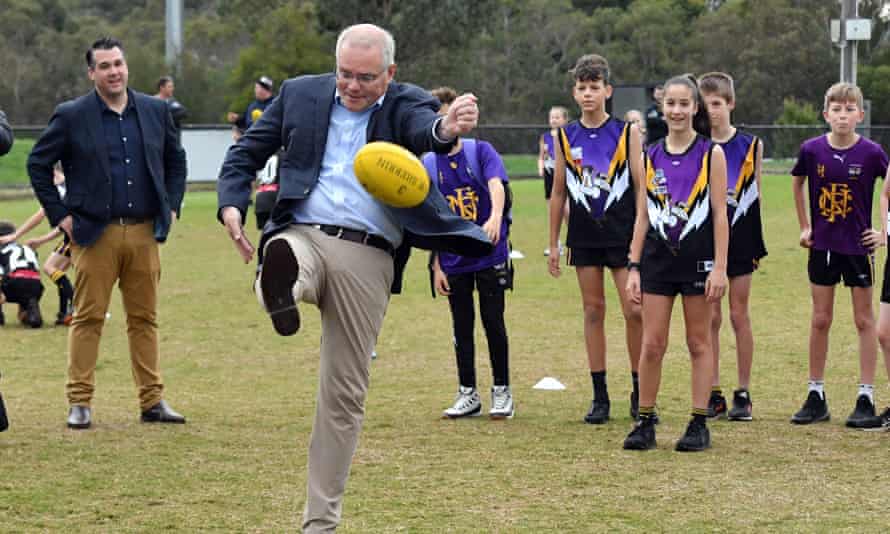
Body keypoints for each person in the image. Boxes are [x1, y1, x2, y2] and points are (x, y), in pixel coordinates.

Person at [216, 24, 490, 532]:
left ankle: (320, 522)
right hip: (303, 230)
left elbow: (423, 128)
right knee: (286, 256)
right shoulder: (299, 93)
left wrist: (447, 130)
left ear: (390, 73)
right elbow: (245, 153)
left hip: (368, 253)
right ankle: (281, 288)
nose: (352, 85)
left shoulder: (405, 102)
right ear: (334, 64)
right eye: (344, 73)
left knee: (342, 396)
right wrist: (231, 203)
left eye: (366, 77)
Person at [27, 37, 188, 430]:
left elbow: (175, 159)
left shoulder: (154, 110)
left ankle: (152, 401)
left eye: (118, 63)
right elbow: (37, 163)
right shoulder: (71, 115)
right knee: (88, 318)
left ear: (126, 66)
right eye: (104, 66)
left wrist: (171, 204)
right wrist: (59, 214)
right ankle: (79, 402)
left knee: (144, 319)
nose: (114, 71)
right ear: (91, 73)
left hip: (144, 232)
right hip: (93, 235)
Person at [623, 74, 729, 452]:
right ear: (661, 106)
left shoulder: (710, 153)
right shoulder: (648, 156)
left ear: (695, 108)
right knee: (652, 344)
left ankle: (699, 422)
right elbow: (642, 216)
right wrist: (633, 266)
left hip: (698, 260)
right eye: (671, 103)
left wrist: (719, 267)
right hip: (656, 261)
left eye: (685, 104)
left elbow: (719, 214)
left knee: (699, 342)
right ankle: (646, 421)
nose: (677, 110)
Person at [548, 54, 645, 425]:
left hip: (622, 235)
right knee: (593, 311)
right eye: (582, 87)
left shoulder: (627, 132)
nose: (588, 94)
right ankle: (600, 395)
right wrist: (554, 243)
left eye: (595, 87)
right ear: (574, 92)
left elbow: (640, 187)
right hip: (584, 236)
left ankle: (640, 390)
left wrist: (639, 237)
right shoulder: (563, 135)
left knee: (634, 310)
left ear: (608, 90)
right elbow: (558, 193)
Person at [790, 82, 888, 428]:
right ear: (826, 113)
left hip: (858, 247)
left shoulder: (873, 153)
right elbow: (798, 182)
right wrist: (805, 225)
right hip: (823, 247)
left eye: (849, 110)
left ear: (860, 115)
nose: (843, 116)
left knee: (864, 320)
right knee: (820, 319)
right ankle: (816, 394)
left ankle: (866, 395)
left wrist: (883, 231)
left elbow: (888, 188)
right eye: (837, 109)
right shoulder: (812, 150)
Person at [425, 86, 513, 420]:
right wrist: (436, 263)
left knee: (493, 321)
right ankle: (468, 393)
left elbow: (496, 186)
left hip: (489, 252)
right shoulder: (429, 164)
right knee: (461, 326)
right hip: (453, 257)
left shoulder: (481, 151)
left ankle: (502, 391)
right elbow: (430, 217)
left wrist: (493, 217)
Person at [699, 72, 767, 421]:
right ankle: (713, 392)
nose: (711, 111)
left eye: (717, 103)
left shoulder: (751, 145)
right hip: (704, 240)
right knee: (710, 318)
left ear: (730, 104)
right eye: (706, 104)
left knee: (739, 314)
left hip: (742, 240)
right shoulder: (698, 147)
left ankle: (743, 391)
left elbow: (754, 195)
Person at [1, 163, 75, 325]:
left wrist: (16, 234)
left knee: (52, 268)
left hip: (78, 236)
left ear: (53, 172)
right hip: (73, 235)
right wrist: (42, 240)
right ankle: (64, 313)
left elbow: (41, 215)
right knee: (55, 269)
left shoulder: (60, 188)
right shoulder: (69, 185)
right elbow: (64, 223)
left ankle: (75, 306)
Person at [0, 221, 44, 328]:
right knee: (26, 291)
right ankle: (30, 313)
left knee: (12, 280)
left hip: (15, 283)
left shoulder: (2, 251)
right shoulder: (28, 249)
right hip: (36, 287)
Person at [538, 106, 569, 256]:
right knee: (553, 211)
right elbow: (541, 156)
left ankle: (574, 241)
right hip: (550, 178)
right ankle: (555, 244)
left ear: (565, 120)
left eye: (557, 117)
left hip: (565, 176)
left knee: (567, 211)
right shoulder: (545, 137)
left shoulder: (569, 135)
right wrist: (540, 168)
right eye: (552, 117)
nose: (554, 120)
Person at [154, 76, 188, 141]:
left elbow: (184, 112)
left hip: (173, 139)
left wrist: (167, 115)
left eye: (172, 87)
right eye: (169, 87)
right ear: (162, 88)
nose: (172, 89)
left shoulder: (172, 101)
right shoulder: (152, 101)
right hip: (159, 139)